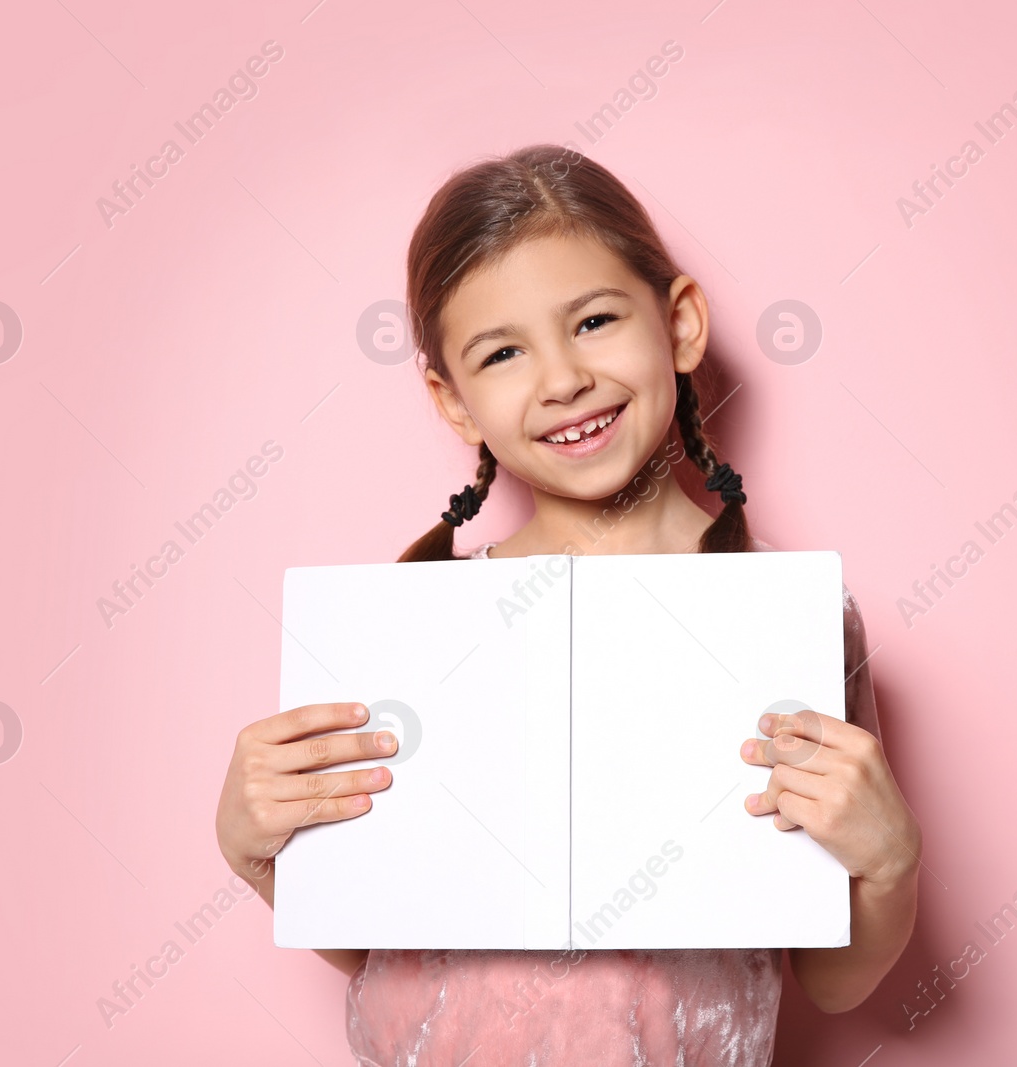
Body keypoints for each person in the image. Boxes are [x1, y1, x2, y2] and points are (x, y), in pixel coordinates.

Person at [215, 143, 922, 1065]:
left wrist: (892, 859)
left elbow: (833, 979)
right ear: (454, 401)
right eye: (502, 352)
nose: (561, 379)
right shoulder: (408, 625)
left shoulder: (789, 620)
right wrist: (261, 853)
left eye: (592, 321)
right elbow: (368, 943)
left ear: (680, 323)